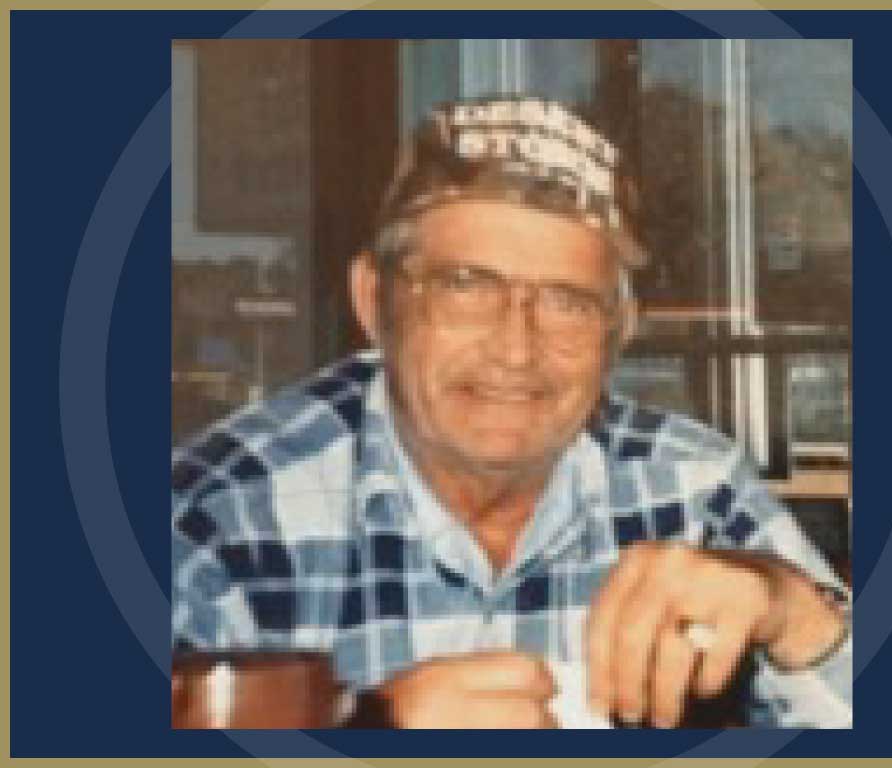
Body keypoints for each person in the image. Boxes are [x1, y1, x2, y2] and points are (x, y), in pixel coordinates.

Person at [172, 97, 852, 729]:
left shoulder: (695, 490)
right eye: (466, 286)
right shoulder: (217, 517)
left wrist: (795, 615)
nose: (516, 349)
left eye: (567, 302)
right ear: (373, 300)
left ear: (619, 331)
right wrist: (368, 727)